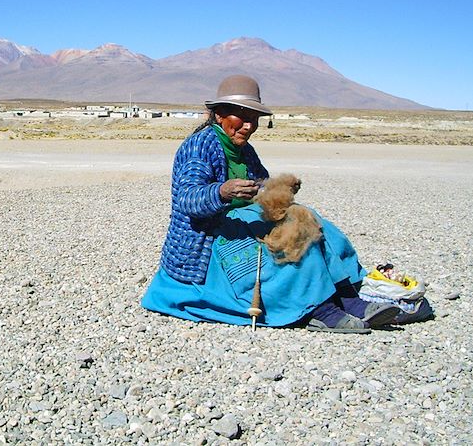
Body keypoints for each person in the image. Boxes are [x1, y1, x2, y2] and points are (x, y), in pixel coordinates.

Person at [141, 75, 401, 333]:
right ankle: (318, 309)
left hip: (239, 222)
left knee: (308, 217)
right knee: (289, 240)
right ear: (220, 115)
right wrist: (221, 191)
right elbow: (186, 198)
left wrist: (279, 189)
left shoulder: (244, 149)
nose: (248, 126)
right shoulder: (200, 145)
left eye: (254, 119)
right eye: (241, 117)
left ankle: (347, 296)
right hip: (207, 236)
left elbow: (261, 184)